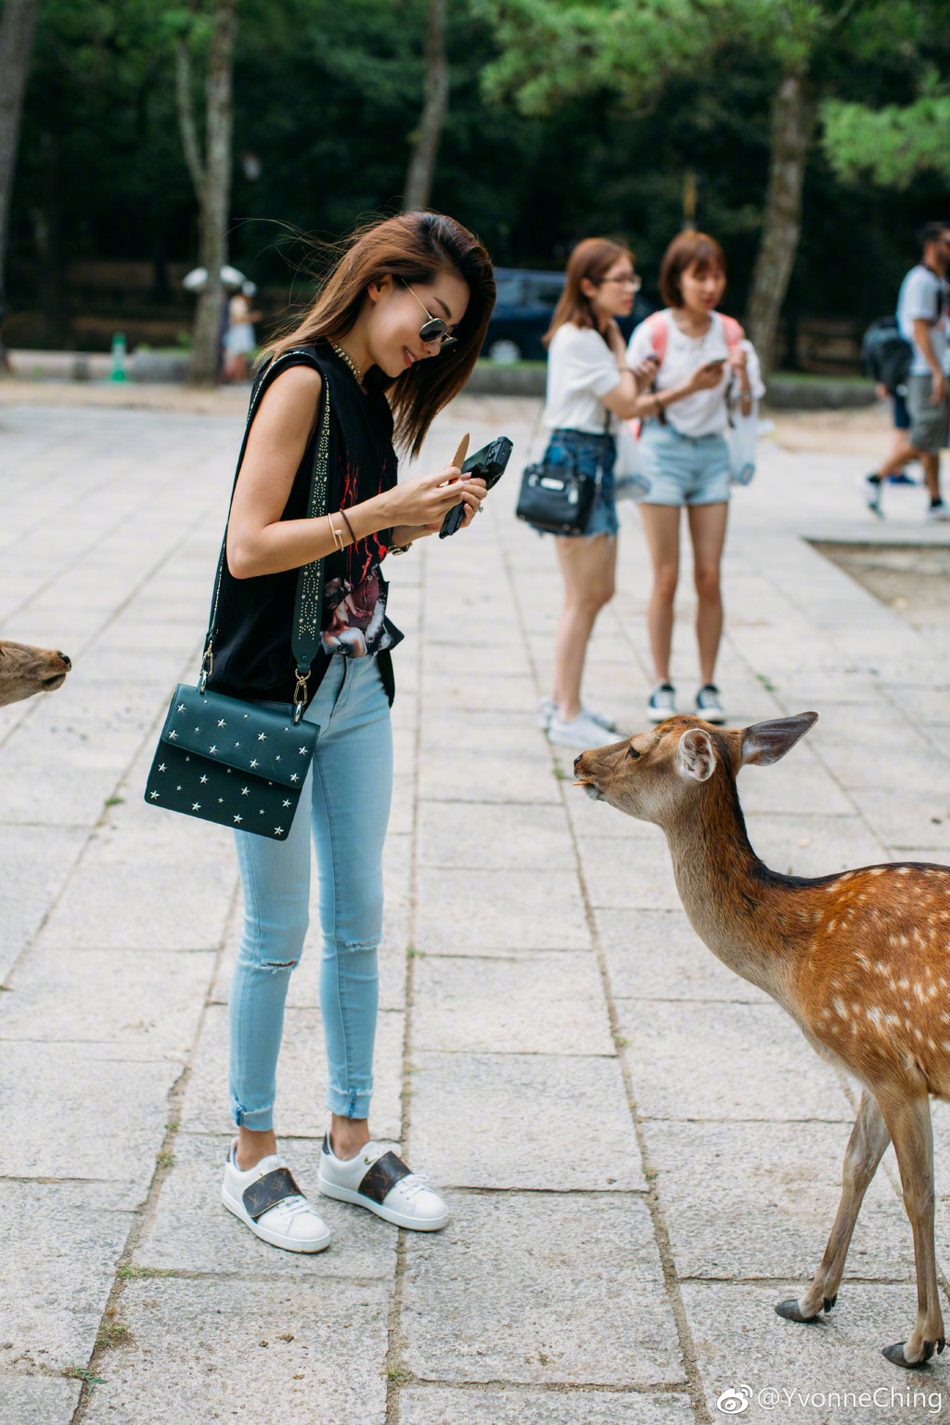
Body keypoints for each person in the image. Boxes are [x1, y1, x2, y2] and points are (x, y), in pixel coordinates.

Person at [206, 212, 495, 1252]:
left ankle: (350, 1145)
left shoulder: (369, 399)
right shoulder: (299, 379)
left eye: (447, 336)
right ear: (379, 282)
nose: (431, 346)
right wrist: (379, 515)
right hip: (261, 694)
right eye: (429, 320)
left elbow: (344, 555)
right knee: (275, 936)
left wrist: (416, 520)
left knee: (359, 922)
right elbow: (248, 548)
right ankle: (248, 1160)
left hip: (353, 682)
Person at [626, 230, 763, 726]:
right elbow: (631, 401)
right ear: (677, 279)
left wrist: (744, 375)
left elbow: (745, 407)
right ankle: (661, 684)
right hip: (661, 452)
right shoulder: (654, 332)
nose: (710, 285)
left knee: (710, 576)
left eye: (718, 275)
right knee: (666, 577)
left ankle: (708, 685)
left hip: (711, 456)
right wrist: (689, 386)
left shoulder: (730, 332)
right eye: (699, 275)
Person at [535, 237, 658, 750]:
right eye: (619, 279)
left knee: (596, 593)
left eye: (633, 278)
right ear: (588, 284)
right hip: (578, 462)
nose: (630, 288)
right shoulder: (579, 336)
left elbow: (626, 395)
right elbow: (629, 404)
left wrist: (632, 373)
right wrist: (686, 387)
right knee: (582, 598)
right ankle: (566, 713)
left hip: (596, 462)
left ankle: (563, 700)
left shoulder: (604, 331)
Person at [863, 222, 950, 520]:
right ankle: (875, 477)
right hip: (922, 371)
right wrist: (938, 371)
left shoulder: (939, 282)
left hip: (932, 369)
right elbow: (919, 330)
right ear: (932, 245)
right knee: (926, 435)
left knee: (932, 436)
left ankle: (936, 502)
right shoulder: (922, 282)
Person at [223, 281, 262, 383]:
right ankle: (239, 379)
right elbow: (237, 319)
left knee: (240, 356)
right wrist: (252, 317)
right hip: (238, 332)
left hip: (241, 331)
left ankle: (240, 378)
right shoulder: (238, 302)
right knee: (239, 357)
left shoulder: (242, 302)